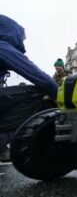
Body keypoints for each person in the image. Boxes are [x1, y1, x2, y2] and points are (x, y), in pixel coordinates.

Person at [0, 14, 58, 162]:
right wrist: (61, 97)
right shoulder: (2, 46)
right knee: (38, 95)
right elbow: (43, 80)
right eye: (21, 38)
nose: (22, 42)